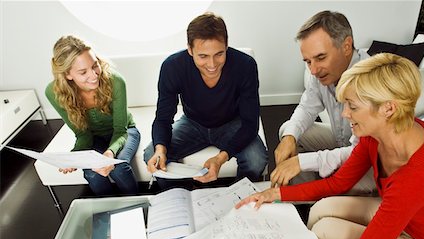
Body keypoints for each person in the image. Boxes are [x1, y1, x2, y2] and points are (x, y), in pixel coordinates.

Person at [236, 53, 424, 239]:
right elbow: (338, 183)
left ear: (388, 109)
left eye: (353, 106)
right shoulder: (376, 136)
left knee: (327, 231)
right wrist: (275, 193)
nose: (344, 113)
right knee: (321, 210)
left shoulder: (419, 173)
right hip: (412, 219)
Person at [143, 12, 268, 184]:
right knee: (152, 155)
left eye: (219, 54)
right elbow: (163, 118)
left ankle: (240, 195)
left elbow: (250, 124)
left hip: (231, 123)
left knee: (256, 159)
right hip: (192, 124)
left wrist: (221, 158)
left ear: (226, 45)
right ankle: (181, 195)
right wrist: (160, 149)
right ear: (190, 49)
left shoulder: (245, 65)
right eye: (203, 56)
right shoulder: (172, 67)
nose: (212, 64)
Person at [272, 10, 373, 192]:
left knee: (343, 182)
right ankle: (306, 196)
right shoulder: (320, 73)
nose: (313, 70)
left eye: (320, 58)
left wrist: (301, 162)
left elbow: (360, 153)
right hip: (342, 142)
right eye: (308, 61)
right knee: (289, 131)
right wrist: (289, 137)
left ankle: (322, 199)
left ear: (347, 46)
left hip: (368, 163)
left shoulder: (370, 81)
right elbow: (306, 108)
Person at [46, 35, 140, 196]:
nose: (94, 75)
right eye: (83, 72)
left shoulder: (115, 81)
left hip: (125, 131)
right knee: (92, 173)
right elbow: (82, 133)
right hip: (94, 137)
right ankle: (108, 211)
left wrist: (109, 153)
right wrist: (74, 157)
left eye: (95, 65)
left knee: (119, 169)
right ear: (68, 74)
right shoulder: (54, 93)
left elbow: (120, 129)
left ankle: (139, 208)